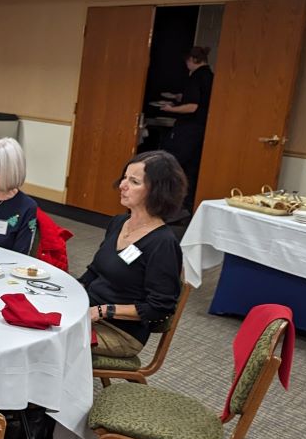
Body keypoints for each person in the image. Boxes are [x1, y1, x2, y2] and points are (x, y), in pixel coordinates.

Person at [80, 150, 185, 359]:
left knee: (49, 339)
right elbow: (94, 272)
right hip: (88, 313)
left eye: (134, 181)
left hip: (121, 332)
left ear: (157, 192)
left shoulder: (162, 243)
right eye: (124, 177)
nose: (122, 185)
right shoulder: (119, 223)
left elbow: (160, 307)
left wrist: (104, 311)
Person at [160, 46, 214, 213]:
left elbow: (192, 107)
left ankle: (171, 205)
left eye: (188, 62)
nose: (187, 65)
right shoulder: (210, 77)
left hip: (189, 129)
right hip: (201, 129)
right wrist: (178, 97)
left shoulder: (196, 77)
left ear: (194, 60)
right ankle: (187, 207)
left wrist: (170, 109)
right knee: (192, 168)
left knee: (174, 165)